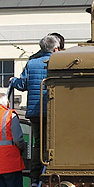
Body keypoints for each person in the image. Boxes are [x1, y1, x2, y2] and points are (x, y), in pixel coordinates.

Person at [10, 34, 60, 169]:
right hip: (55, 111)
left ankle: (35, 176)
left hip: (35, 112)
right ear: (56, 49)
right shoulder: (61, 62)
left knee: (38, 143)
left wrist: (13, 81)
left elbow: (22, 85)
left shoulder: (31, 63)